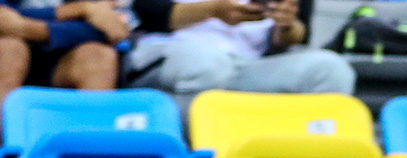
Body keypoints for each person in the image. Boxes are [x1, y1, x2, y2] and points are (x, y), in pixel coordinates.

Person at [127, 0, 356, 95]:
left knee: (332, 69)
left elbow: (295, 37)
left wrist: (285, 23)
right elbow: (148, 13)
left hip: (249, 65)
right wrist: (214, 10)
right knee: (206, 65)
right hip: (173, 55)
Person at [0, 0, 122, 102]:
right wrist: (79, 9)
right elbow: (4, 20)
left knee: (98, 56)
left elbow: (110, 30)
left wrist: (30, 28)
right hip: (9, 55)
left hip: (57, 61)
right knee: (11, 49)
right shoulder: (83, 7)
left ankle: (92, 129)